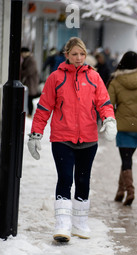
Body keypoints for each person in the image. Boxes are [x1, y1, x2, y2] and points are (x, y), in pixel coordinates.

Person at [27, 37, 117, 243]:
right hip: (62, 138)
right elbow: (43, 108)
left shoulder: (94, 77)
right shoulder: (55, 78)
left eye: (82, 54)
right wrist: (35, 134)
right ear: (66, 54)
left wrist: (109, 120)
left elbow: (104, 103)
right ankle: (62, 224)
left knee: (83, 180)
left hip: (88, 138)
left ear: (86, 56)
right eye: (74, 54)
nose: (78, 58)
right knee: (65, 178)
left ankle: (80, 222)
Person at [107, 51, 137, 206]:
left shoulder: (116, 81)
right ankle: (120, 191)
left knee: (126, 159)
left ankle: (130, 190)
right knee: (127, 159)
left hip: (123, 125)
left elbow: (109, 102)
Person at [20, 47, 40, 117]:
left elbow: (29, 71)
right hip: (29, 82)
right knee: (28, 98)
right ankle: (29, 113)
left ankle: (30, 114)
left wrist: (21, 73)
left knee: (29, 98)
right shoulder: (27, 59)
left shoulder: (31, 60)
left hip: (31, 82)